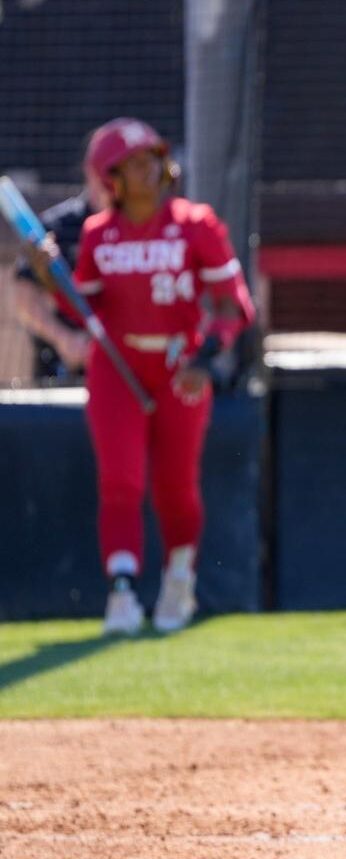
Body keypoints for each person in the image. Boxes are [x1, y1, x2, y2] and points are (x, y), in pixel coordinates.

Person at [25, 117, 255, 635]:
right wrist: (49, 273)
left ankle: (179, 578)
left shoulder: (196, 225)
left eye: (151, 158)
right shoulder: (97, 233)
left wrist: (206, 359)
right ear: (112, 178)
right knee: (121, 480)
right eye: (132, 164)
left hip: (179, 366)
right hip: (118, 365)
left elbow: (234, 305)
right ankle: (122, 594)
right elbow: (84, 308)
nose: (147, 170)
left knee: (174, 485)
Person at [10, 152, 110, 382]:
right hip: (62, 370)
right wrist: (64, 339)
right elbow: (24, 294)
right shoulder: (57, 226)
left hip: (123, 370)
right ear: (89, 170)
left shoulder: (139, 228)